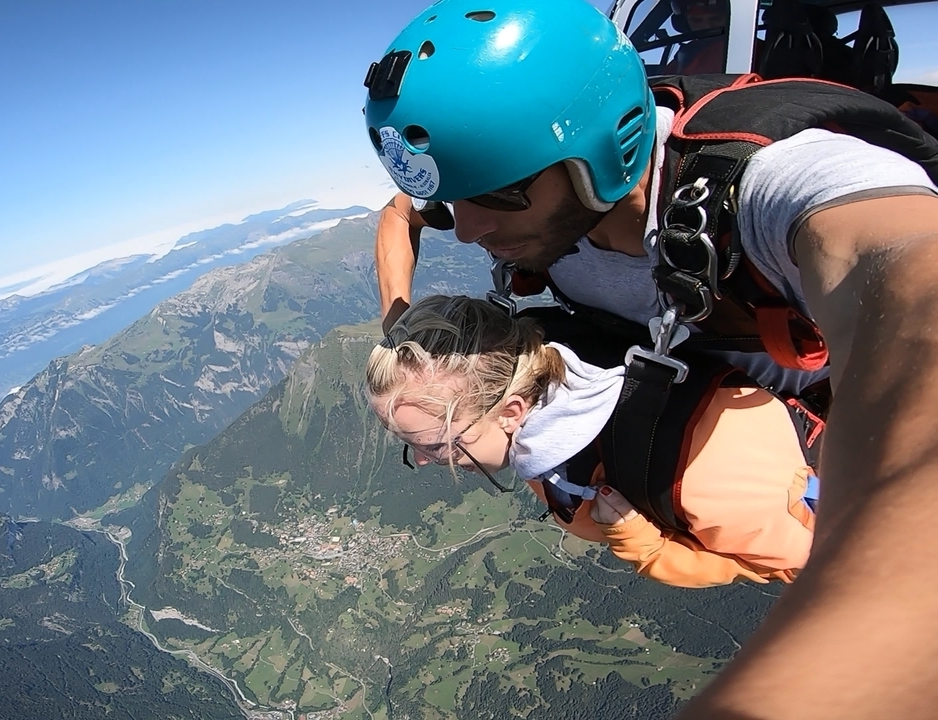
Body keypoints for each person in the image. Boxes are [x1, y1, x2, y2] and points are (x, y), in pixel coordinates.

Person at [365, 0, 938, 717]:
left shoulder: (775, 186)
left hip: (796, 458)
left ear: (598, 154)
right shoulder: (542, 194)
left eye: (496, 193)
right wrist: (401, 326)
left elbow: (910, 274)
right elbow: (402, 212)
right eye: (455, 201)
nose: (472, 229)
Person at [367, 294, 816, 588]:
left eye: (438, 445)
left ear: (510, 413)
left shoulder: (709, 472)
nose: (424, 462)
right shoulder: (533, 407)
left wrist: (649, 549)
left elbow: (810, 565)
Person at [666, 0, 728, 75]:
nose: (706, 26)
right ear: (685, 22)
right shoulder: (688, 50)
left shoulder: (733, 49)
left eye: (716, 19)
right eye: (696, 20)